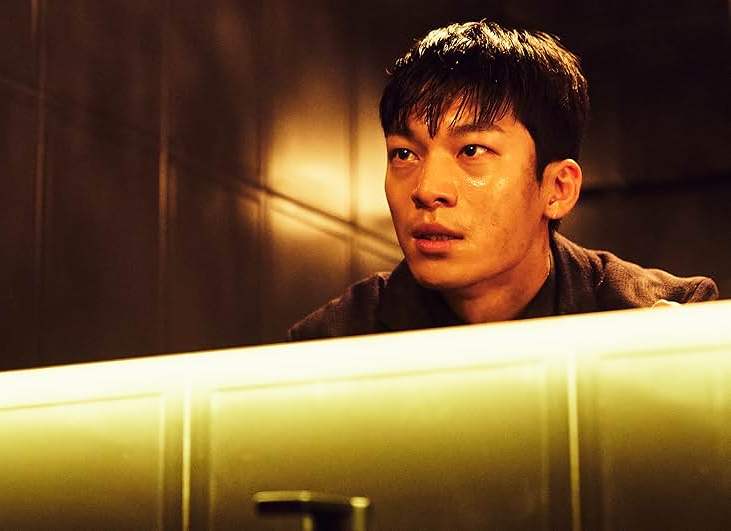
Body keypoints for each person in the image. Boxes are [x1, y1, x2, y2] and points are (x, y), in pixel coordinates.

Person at [288, 20, 718, 341]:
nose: (427, 189)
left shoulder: (663, 323)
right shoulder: (332, 343)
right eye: (404, 154)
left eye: (472, 151)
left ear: (558, 188)